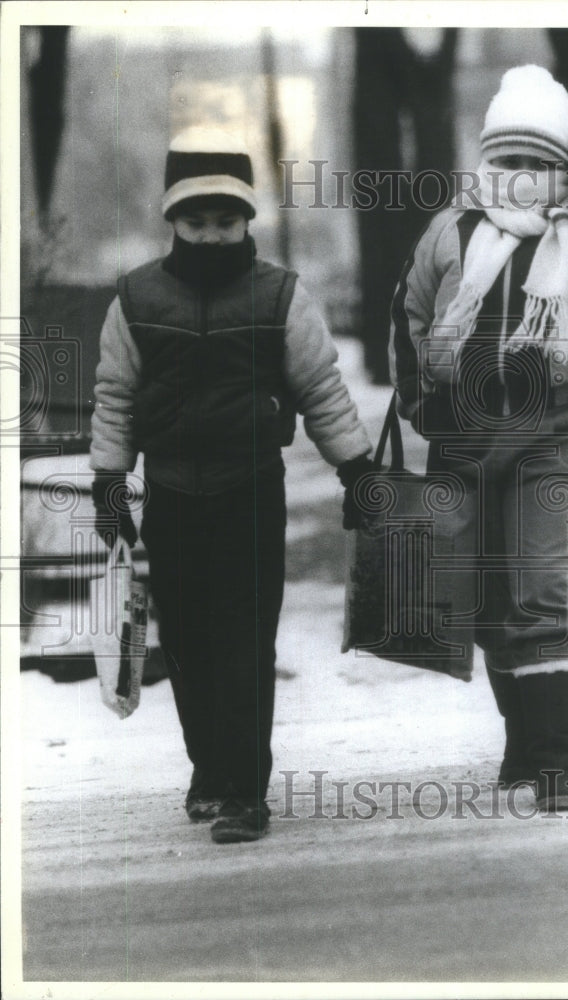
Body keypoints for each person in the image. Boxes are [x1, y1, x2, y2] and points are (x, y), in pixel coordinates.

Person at [388, 65, 568, 810]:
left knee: (538, 586)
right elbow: (411, 316)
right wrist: (419, 400)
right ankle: (522, 741)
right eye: (506, 160)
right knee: (482, 596)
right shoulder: (450, 229)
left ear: (562, 168)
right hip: (464, 433)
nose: (521, 178)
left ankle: (556, 761)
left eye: (540, 163)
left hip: (552, 429)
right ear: (485, 162)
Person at [90, 127, 372, 843]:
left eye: (225, 221)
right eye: (195, 221)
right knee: (186, 640)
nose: (211, 236)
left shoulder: (280, 296)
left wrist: (356, 468)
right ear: (172, 222)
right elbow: (116, 397)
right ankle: (210, 770)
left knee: (244, 642)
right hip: (175, 497)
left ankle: (247, 790)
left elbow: (321, 389)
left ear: (248, 221)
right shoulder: (136, 300)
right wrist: (109, 481)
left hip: (250, 492)